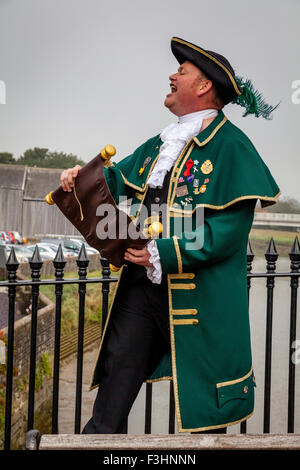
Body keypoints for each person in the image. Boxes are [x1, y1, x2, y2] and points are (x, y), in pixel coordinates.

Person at [60, 37, 280, 434]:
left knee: (206, 414)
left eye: (182, 71)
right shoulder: (162, 142)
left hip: (203, 297)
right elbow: (115, 179)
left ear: (204, 86)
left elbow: (227, 233)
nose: (171, 75)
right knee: (114, 382)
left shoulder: (232, 147)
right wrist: (79, 176)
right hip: (142, 286)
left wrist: (165, 251)